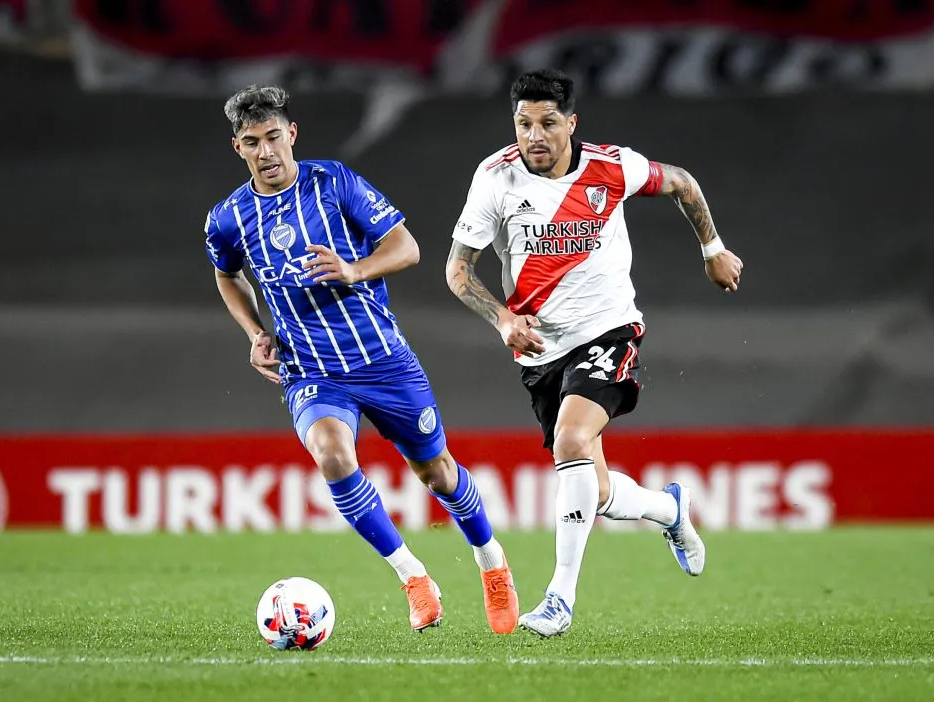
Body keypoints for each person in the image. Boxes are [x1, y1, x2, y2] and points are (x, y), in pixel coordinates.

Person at [204, 85, 519, 635]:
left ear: (292, 134)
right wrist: (255, 331)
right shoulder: (228, 218)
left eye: (274, 137)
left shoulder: (335, 182)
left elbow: (408, 247)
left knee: (437, 473)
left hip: (381, 358)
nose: (267, 152)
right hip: (311, 370)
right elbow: (226, 274)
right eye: (253, 142)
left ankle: (492, 562)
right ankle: (414, 578)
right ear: (238, 148)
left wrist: (353, 270)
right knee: (332, 455)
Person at [445, 69, 744, 637]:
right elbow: (458, 270)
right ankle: (669, 511)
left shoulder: (613, 167)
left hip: (609, 329)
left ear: (571, 123)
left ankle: (559, 597)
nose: (535, 135)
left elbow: (682, 182)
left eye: (548, 123)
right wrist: (503, 318)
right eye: (524, 123)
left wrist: (714, 249)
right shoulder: (496, 179)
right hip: (539, 350)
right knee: (596, 490)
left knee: (572, 441)